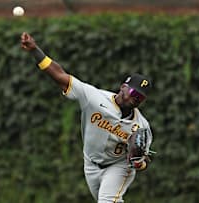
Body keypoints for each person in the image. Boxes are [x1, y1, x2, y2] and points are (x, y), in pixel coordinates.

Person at [20, 32, 154, 203]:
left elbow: (143, 162)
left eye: (141, 97)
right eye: (134, 92)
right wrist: (34, 50)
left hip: (118, 166)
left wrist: (138, 162)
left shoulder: (141, 126)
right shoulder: (94, 98)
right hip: (90, 163)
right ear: (123, 87)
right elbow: (60, 76)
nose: (136, 98)